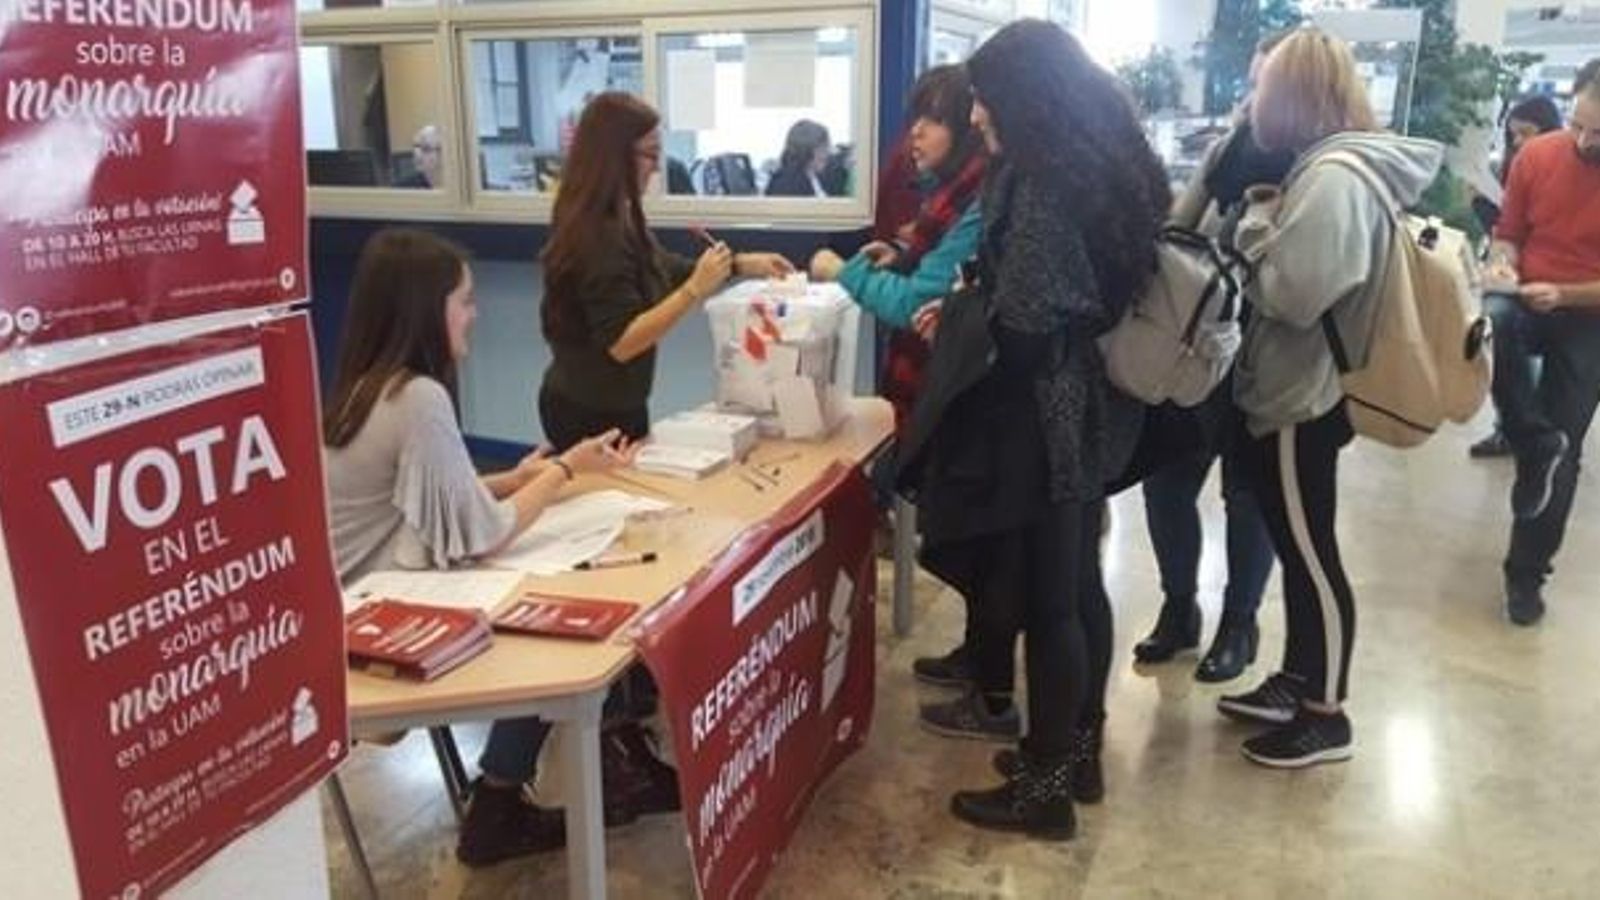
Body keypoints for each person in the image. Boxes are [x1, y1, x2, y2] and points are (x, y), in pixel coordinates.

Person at [898, 20, 1167, 839]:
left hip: (1052, 413)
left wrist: (969, 314)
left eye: (983, 100)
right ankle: (1075, 754)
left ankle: (1045, 792)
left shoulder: (1044, 184)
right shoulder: (1104, 165)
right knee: (1080, 589)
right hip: (1096, 404)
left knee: (1052, 605)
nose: (977, 115)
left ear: (1025, 98)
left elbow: (1022, 327)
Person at [322, 228, 640, 867]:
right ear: (425, 309)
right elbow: (478, 532)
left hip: (360, 601)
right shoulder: (418, 397)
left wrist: (517, 479)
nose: (475, 313)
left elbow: (424, 498)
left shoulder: (367, 386)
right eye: (464, 300)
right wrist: (563, 473)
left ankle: (502, 791)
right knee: (548, 618)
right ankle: (500, 801)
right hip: (377, 625)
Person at [1215, 29, 1443, 767]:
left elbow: (1294, 293)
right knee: (1297, 543)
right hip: (1295, 389)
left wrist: (1255, 224)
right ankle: (1296, 681)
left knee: (1312, 557)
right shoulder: (1328, 168)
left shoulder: (1335, 177)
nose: (1251, 105)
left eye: (1262, 90)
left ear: (1295, 99)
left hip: (1299, 396)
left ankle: (1327, 713)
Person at [809, 65, 989, 718]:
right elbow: (922, 254)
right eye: (917, 115)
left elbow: (917, 304)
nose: (916, 131)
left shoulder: (976, 200)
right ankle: (981, 655)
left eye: (935, 118)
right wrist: (896, 249)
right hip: (948, 386)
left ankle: (989, 678)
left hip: (965, 393)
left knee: (964, 534)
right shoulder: (944, 194)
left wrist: (845, 270)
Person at [1132, 31, 1292, 684]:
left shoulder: (1320, 164)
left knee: (1247, 495)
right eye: (1252, 83)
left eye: (1269, 86)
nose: (1256, 99)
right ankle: (1179, 609)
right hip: (1202, 341)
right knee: (1166, 480)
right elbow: (1180, 225)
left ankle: (1239, 624)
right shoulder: (1231, 146)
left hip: (1272, 350)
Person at [539, 93, 793, 448]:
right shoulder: (596, 233)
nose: (657, 167)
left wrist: (739, 263)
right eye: (650, 154)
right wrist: (694, 291)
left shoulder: (619, 214)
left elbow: (661, 267)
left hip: (620, 401)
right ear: (616, 156)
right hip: (588, 410)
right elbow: (622, 343)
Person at [1483, 58, 1600, 626]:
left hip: (1587, 312)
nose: (1583, 140)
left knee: (1568, 449)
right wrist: (1504, 266)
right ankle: (1529, 440)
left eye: (1598, 133)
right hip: (1526, 293)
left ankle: (1525, 574)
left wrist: (1568, 294)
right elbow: (1508, 236)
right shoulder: (1537, 154)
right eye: (1578, 123)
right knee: (1493, 318)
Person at [1468, 93, 1565, 459]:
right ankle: (1512, 427)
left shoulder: (1564, 170)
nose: (1519, 142)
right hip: (1514, 272)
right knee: (1500, 330)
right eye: (1513, 135)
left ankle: (1525, 430)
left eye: (1527, 132)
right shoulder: (1515, 165)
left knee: (1531, 355)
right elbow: (1507, 231)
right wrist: (1483, 207)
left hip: (1552, 283)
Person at [766, 120, 832, 197]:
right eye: (822, 148)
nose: (827, 153)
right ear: (806, 150)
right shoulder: (786, 183)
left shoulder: (815, 176)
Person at [397, 124, 443, 189]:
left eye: (425, 148)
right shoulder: (401, 189)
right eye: (415, 146)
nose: (417, 154)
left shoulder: (456, 185)